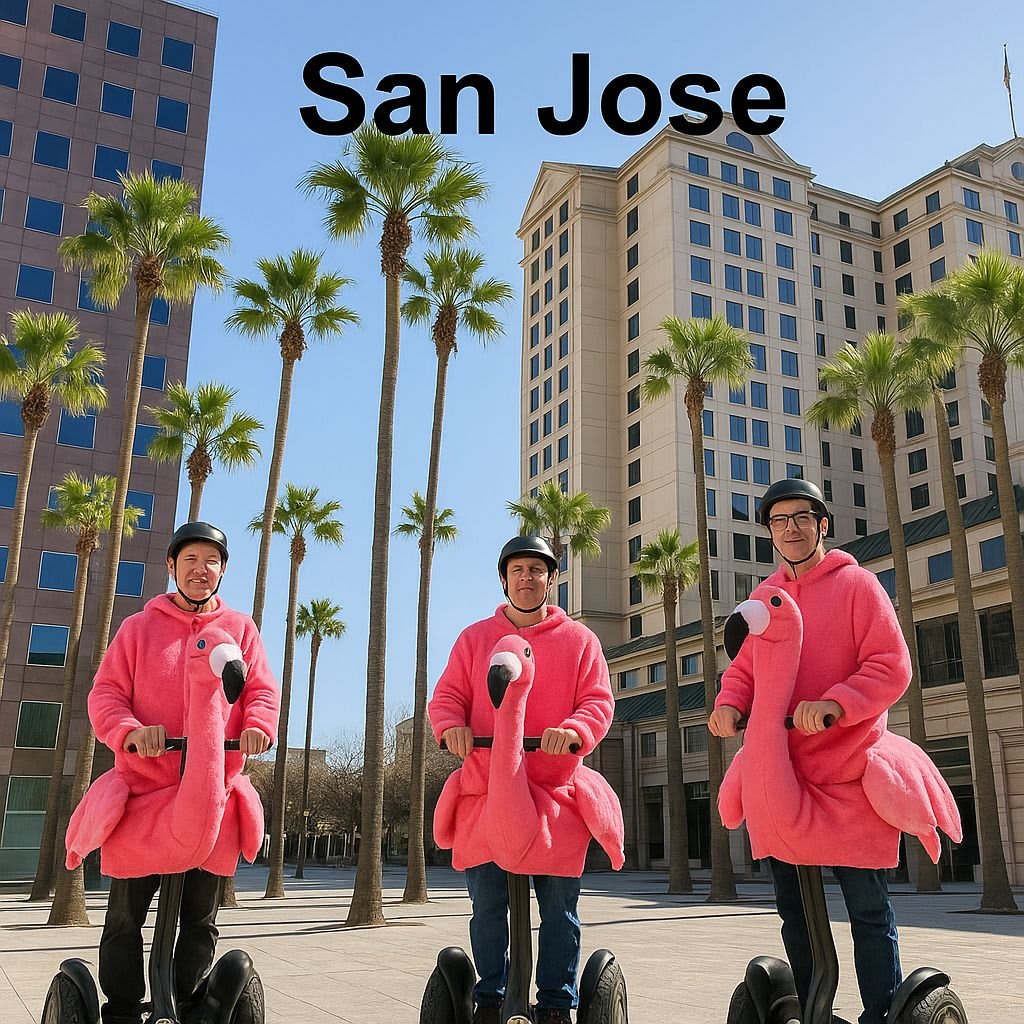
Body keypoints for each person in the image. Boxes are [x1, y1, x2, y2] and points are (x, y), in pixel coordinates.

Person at [709, 479, 911, 1024]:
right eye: (779, 521)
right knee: (793, 909)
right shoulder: (763, 599)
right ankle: (809, 1009)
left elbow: (891, 665)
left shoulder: (858, 587)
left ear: (823, 525)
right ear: (770, 533)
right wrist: (729, 703)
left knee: (867, 908)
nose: (790, 529)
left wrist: (836, 703)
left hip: (847, 773)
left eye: (801, 518)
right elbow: (744, 670)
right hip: (782, 775)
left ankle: (880, 1012)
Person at [84, 522, 280, 1024]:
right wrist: (129, 730)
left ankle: (186, 1003)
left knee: (200, 919)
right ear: (172, 567)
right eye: (191, 559)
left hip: (212, 795)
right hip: (145, 794)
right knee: (126, 918)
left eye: (211, 561)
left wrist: (257, 726)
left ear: (222, 571)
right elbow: (106, 694)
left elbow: (261, 691)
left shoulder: (241, 630)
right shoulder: (138, 629)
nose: (201, 569)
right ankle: (124, 1008)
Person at [428, 535, 615, 1024]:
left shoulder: (580, 641)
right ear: (504, 579)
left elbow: (598, 702)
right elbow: (446, 697)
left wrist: (573, 731)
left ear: (552, 579)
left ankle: (556, 1002)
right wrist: (451, 729)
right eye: (518, 571)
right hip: (486, 793)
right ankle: (490, 997)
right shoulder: (473, 639)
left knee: (559, 910)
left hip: (554, 796)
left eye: (537, 570)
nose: (527, 578)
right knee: (487, 906)